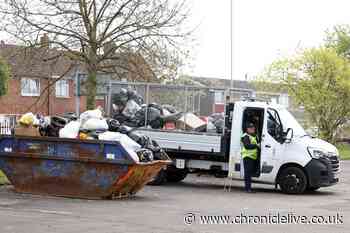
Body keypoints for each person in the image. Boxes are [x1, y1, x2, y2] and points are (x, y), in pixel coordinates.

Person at [241, 122, 259, 193]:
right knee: (247, 173)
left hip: (252, 157)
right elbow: (247, 146)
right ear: (247, 129)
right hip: (247, 156)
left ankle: (249, 188)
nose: (253, 129)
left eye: (253, 127)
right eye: (251, 128)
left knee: (249, 173)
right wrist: (256, 146)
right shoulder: (245, 136)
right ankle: (247, 189)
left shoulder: (254, 136)